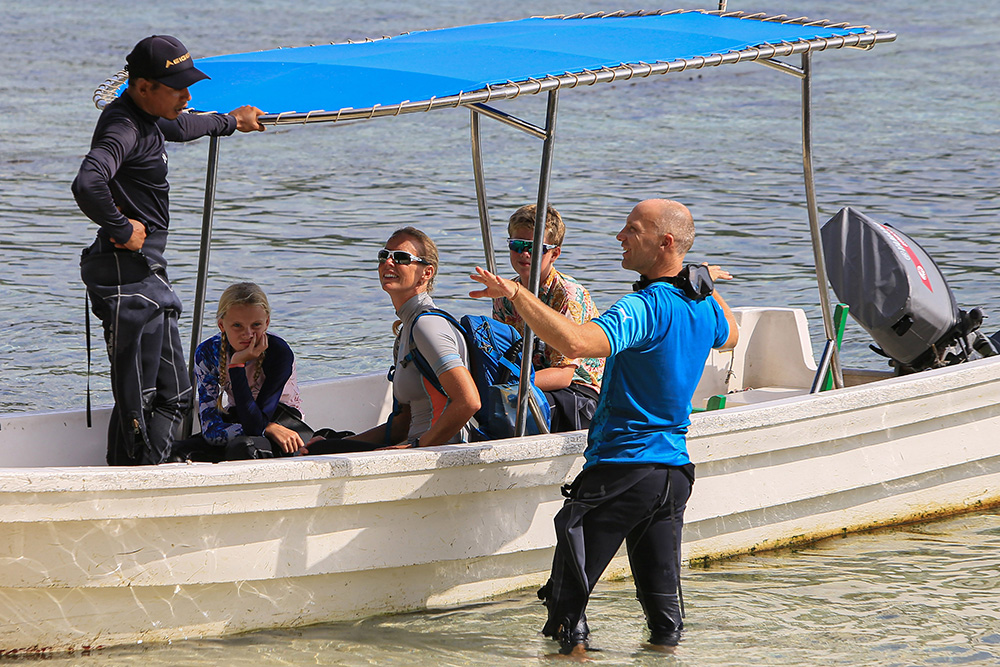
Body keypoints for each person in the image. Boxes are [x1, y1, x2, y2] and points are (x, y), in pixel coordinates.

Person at [469, 199, 739, 655]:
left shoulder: (643, 307)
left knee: (565, 608)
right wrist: (702, 281)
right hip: (671, 475)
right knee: (665, 618)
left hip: (623, 468)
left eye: (632, 229)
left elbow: (577, 342)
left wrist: (517, 294)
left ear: (664, 242)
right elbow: (730, 333)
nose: (619, 236)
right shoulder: (703, 307)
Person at [74, 35, 266, 465]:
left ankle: (148, 471)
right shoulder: (123, 125)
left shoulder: (148, 117)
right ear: (143, 86)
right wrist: (121, 228)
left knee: (176, 393)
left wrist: (231, 122)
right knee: (143, 401)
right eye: (177, 87)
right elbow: (88, 182)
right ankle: (139, 478)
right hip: (126, 276)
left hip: (145, 274)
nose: (187, 95)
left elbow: (181, 127)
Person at [304, 227, 480, 454]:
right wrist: (335, 443)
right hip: (414, 446)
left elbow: (469, 401)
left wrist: (417, 447)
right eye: (383, 256)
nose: (388, 263)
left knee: (319, 452)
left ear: (426, 273)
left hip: (442, 452)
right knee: (320, 441)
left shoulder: (427, 325)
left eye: (401, 258)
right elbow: (399, 428)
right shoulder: (407, 328)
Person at [492, 204, 605, 432]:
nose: (525, 253)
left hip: (579, 393)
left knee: (508, 409)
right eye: (517, 245)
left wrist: (509, 388)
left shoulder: (568, 294)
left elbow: (563, 375)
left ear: (555, 253)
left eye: (535, 248)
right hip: (529, 384)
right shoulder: (504, 294)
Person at [169, 282, 308, 462]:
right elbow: (210, 429)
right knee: (172, 452)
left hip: (284, 427)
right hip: (242, 422)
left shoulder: (279, 353)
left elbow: (256, 422)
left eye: (256, 325)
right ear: (221, 325)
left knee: (243, 449)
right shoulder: (207, 353)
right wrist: (267, 428)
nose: (248, 334)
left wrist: (236, 366)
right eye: (237, 325)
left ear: (267, 323)